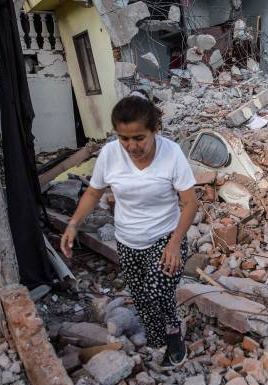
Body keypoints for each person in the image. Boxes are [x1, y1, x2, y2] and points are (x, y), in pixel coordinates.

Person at [60, 89, 198, 369]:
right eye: (124, 138)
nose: (131, 146)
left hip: (165, 237)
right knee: (142, 296)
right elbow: (93, 193)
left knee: (159, 291)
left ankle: (174, 333)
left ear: (154, 130)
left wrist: (174, 243)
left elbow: (190, 203)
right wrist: (73, 224)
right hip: (128, 240)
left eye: (139, 138)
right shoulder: (110, 155)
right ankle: (157, 340)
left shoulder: (172, 154)